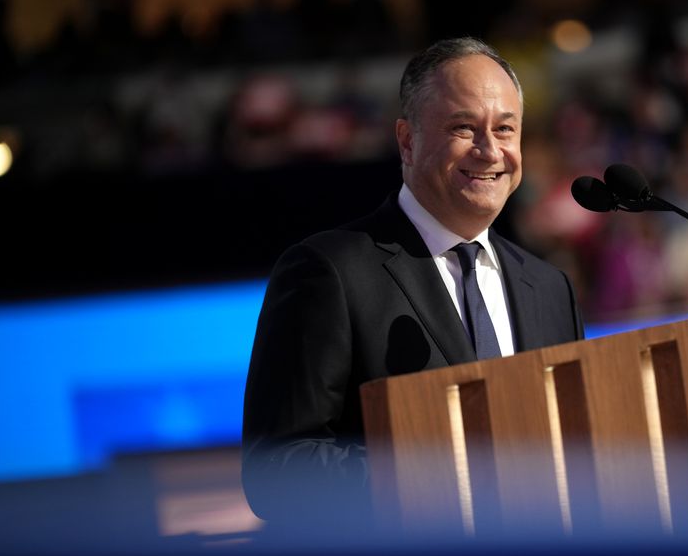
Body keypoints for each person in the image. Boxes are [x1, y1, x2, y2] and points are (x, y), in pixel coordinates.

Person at [242, 37, 585, 523]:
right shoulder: (329, 271)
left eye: (505, 129)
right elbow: (276, 471)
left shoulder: (550, 288)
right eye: (464, 128)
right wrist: (432, 473)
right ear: (407, 139)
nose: (490, 151)